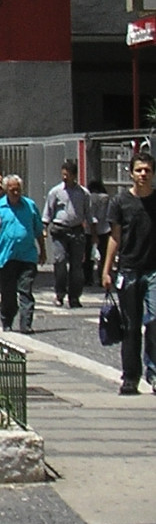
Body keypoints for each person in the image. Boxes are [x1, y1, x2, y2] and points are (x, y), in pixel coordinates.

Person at [103, 155, 156, 395]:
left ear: (153, 173)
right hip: (129, 269)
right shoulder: (120, 202)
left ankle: (153, 373)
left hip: (153, 271)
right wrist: (106, 269)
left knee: (154, 322)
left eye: (147, 170)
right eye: (139, 170)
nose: (143, 174)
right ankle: (130, 377)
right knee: (131, 326)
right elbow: (115, 236)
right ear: (131, 174)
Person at [0, 173, 42, 334]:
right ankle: (6, 320)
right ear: (6, 190)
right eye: (12, 190)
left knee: (26, 290)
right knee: (8, 292)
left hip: (27, 256)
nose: (15, 193)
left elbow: (38, 230)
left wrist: (43, 250)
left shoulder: (30, 206)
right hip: (6, 256)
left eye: (18, 190)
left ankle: (26, 324)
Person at [42, 160, 93, 308]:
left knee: (77, 267)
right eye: (63, 174)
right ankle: (59, 293)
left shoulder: (83, 193)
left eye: (68, 175)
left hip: (77, 231)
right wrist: (45, 227)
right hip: (60, 230)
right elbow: (48, 212)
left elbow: (89, 214)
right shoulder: (55, 192)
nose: (65, 177)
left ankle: (75, 296)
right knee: (60, 261)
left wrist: (93, 233)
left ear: (74, 175)